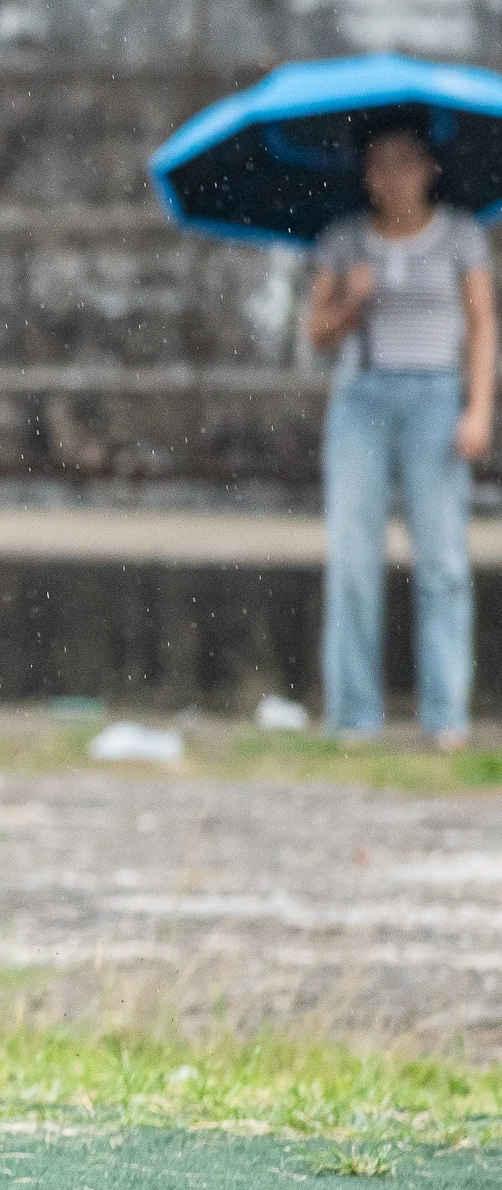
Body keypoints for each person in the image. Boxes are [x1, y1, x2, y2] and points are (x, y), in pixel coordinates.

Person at [306, 115, 496, 749]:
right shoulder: (345, 240)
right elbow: (316, 332)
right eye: (380, 167)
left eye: (405, 164)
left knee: (441, 559)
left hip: (435, 396)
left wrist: (477, 409)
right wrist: (352, 302)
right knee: (354, 560)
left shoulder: (461, 238)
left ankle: (445, 715)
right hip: (364, 396)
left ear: (428, 169)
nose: (394, 180)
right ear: (366, 175)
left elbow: (482, 326)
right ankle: (354, 715)